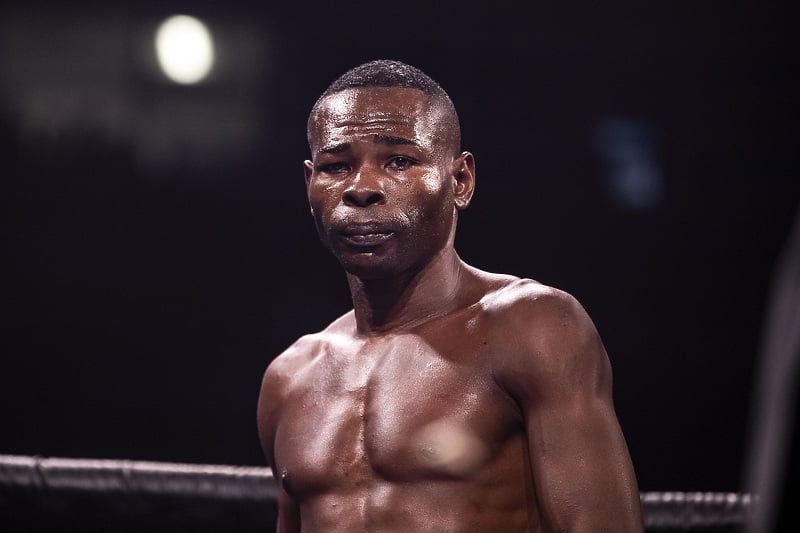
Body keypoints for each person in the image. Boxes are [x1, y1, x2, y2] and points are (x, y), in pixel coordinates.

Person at [257, 59, 643, 532]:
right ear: (309, 183)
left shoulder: (533, 327)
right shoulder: (289, 379)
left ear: (460, 180)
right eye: (336, 166)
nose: (362, 188)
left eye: (399, 161)